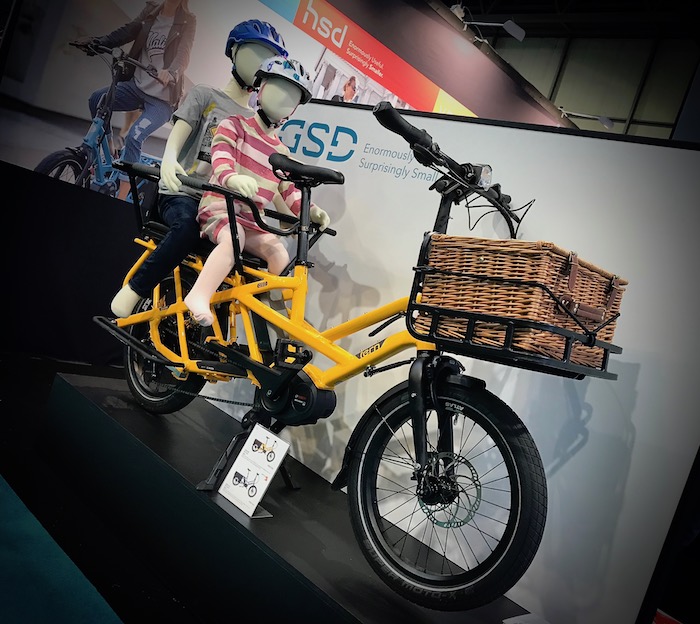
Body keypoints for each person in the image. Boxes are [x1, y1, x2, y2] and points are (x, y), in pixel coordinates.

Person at [110, 19, 288, 318]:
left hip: (223, 204)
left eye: (267, 60)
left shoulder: (257, 123)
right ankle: (135, 289)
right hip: (184, 193)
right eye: (253, 54)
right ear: (234, 52)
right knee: (187, 230)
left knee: (265, 251)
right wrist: (168, 161)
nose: (259, 65)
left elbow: (269, 176)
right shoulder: (206, 95)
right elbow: (178, 135)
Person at [183, 56, 330, 327]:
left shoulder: (281, 152)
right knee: (234, 239)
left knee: (279, 251)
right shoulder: (235, 125)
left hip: (252, 220)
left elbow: (289, 191)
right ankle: (198, 295)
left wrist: (312, 213)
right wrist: (232, 178)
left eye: (292, 97)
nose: (284, 100)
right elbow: (221, 156)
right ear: (260, 90)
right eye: (278, 90)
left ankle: (275, 311)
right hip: (221, 210)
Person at [77, 0, 196, 200]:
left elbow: (184, 53)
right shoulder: (151, 11)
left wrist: (172, 72)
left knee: (134, 136)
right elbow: (127, 31)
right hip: (136, 87)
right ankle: (110, 153)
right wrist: (97, 42)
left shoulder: (187, 21)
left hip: (162, 100)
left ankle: (121, 197)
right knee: (97, 99)